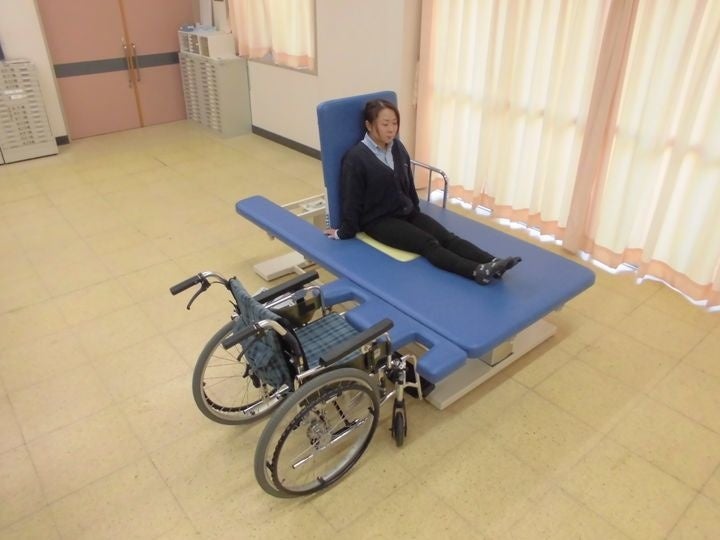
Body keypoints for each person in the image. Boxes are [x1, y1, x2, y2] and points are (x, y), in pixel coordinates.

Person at [324, 99, 521, 285]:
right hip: (379, 221)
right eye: (385, 124)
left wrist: (415, 211)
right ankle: (476, 271)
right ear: (368, 125)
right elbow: (352, 200)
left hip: (406, 211)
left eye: (394, 123)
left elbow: (408, 183)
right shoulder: (355, 158)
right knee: (428, 243)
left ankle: (493, 263)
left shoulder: (397, 147)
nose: (391, 129)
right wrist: (344, 232)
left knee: (448, 237)